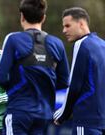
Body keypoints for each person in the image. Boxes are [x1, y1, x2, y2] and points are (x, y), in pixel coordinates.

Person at [0, 0, 70, 134]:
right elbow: (64, 81)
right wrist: (43, 85)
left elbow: (0, 77)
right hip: (44, 114)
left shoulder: (13, 39)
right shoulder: (57, 43)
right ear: (43, 18)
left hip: (19, 111)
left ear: (22, 17)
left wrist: (18, 88)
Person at [53, 7, 105, 135]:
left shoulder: (81, 44)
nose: (64, 30)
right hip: (101, 121)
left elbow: (74, 85)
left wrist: (62, 115)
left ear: (81, 23)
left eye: (68, 25)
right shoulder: (103, 44)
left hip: (86, 120)